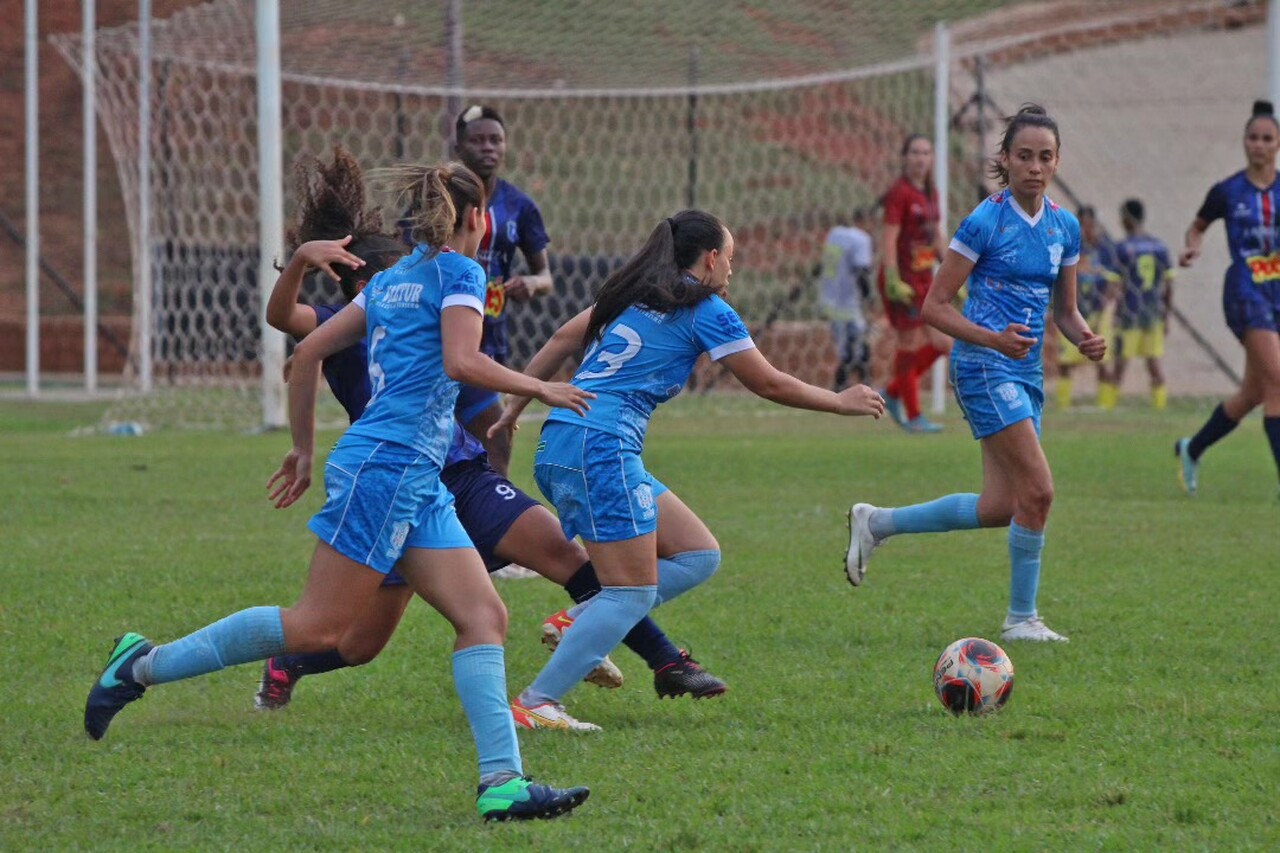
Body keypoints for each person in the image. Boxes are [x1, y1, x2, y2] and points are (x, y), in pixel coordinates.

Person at [83, 161, 593, 822]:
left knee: (483, 615)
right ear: (477, 218)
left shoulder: (391, 280)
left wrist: (302, 447)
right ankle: (141, 664)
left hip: (411, 473)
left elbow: (305, 351)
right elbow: (462, 362)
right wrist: (543, 387)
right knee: (318, 624)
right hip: (387, 468)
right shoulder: (460, 273)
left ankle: (501, 782)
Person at [260, 148, 726, 720]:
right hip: (396, 479)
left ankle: (664, 659)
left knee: (562, 553)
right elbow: (287, 325)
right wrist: (303, 263)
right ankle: (289, 663)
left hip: (459, 472)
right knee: (357, 645)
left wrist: (504, 412)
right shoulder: (347, 320)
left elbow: (467, 374)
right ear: (364, 282)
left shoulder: (427, 298)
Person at [490, 209, 885, 730]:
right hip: (600, 449)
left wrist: (515, 407)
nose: (732, 270)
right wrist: (840, 400)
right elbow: (768, 383)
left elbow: (564, 339)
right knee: (629, 591)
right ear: (711, 258)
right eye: (732, 257)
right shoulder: (706, 309)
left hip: (567, 442)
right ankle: (537, 701)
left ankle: (581, 621)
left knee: (698, 554)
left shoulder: (636, 293)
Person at [846, 104, 1107, 643]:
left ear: (1057, 163)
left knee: (1002, 507)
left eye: (1045, 157)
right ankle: (1021, 619)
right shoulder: (985, 221)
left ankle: (877, 522)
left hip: (1024, 371)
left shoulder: (1065, 227)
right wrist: (993, 339)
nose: (1034, 166)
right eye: (1024, 156)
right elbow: (936, 307)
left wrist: (1084, 335)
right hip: (985, 366)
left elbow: (1065, 310)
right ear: (1006, 160)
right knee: (1039, 492)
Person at [441, 104, 554, 479]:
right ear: (458, 146)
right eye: (477, 140)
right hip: (440, 341)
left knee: (495, 441)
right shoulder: (437, 201)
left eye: (496, 140)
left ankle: (491, 522)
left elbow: (546, 275)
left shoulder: (518, 205)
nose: (488, 147)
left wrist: (531, 284)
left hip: (489, 342)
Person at [1175, 99, 1280, 498]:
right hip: (1245, 290)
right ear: (1244, 142)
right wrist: (1192, 247)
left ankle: (1193, 447)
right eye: (1253, 137)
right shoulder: (1227, 191)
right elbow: (1198, 226)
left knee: (1256, 391)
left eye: (1267, 138)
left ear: (1277, 144)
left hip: (1277, 289)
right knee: (1278, 384)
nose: (1259, 145)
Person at [878, 134, 951, 433]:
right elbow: (890, 238)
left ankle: (894, 391)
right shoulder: (899, 193)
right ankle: (914, 415)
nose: (921, 158)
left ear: (932, 158)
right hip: (903, 282)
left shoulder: (931, 192)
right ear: (904, 158)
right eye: (915, 152)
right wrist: (893, 277)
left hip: (925, 280)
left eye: (925, 152)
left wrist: (952, 270)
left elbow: (936, 236)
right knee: (908, 343)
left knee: (944, 342)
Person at [1054, 205, 1120, 410]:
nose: (1085, 229)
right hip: (1073, 307)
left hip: (1100, 308)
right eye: (1081, 224)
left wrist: (1107, 306)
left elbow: (1114, 281)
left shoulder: (1106, 249)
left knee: (1102, 359)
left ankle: (1106, 407)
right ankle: (1064, 406)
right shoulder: (1070, 246)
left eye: (1089, 224)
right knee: (1065, 361)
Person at [1112, 198, 1175, 410]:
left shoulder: (1122, 248)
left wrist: (1112, 313)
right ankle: (1160, 406)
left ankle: (1108, 407)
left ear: (1128, 218)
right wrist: (1166, 315)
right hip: (1152, 312)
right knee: (1154, 363)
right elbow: (1169, 284)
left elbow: (1116, 286)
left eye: (1122, 217)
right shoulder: (1159, 247)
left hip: (1129, 313)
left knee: (1120, 363)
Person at [818, 207, 875, 388]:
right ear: (866, 222)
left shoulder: (835, 234)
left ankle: (856, 384)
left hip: (828, 299)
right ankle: (846, 386)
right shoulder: (861, 239)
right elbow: (862, 272)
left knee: (852, 345)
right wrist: (868, 298)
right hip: (848, 302)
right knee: (856, 346)